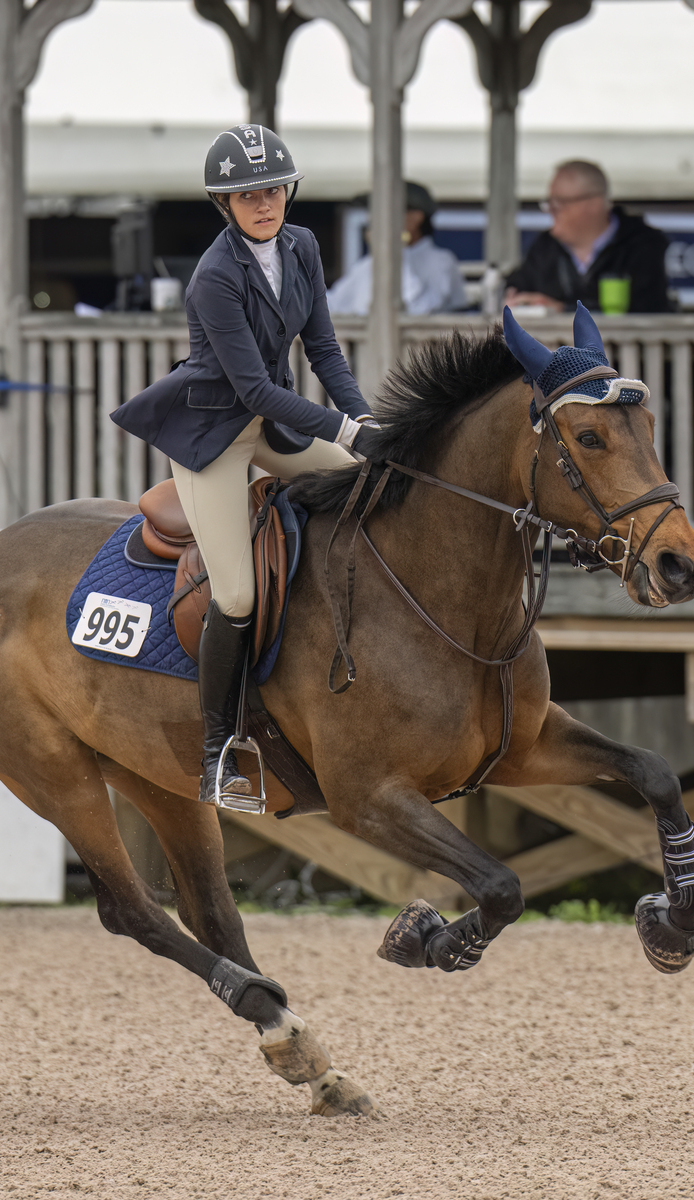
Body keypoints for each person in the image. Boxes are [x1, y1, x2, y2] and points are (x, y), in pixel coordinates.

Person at [110, 124, 376, 808]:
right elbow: (253, 389)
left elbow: (323, 349)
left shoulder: (303, 245)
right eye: (247, 195)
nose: (264, 204)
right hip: (215, 435)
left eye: (273, 190)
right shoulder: (213, 278)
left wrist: (364, 422)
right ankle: (218, 752)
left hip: (275, 424)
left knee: (370, 483)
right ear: (224, 206)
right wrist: (344, 427)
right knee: (234, 596)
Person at [504, 160, 670, 313]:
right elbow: (517, 288)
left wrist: (562, 311)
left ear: (594, 204)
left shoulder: (643, 246)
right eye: (550, 203)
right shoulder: (544, 247)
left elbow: (646, 307)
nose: (551, 210)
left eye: (561, 203)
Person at [326, 182, 468, 315]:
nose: (374, 217)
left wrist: (394, 249)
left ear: (416, 217)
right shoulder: (368, 265)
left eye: (385, 209)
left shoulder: (441, 262)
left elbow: (418, 309)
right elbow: (331, 305)